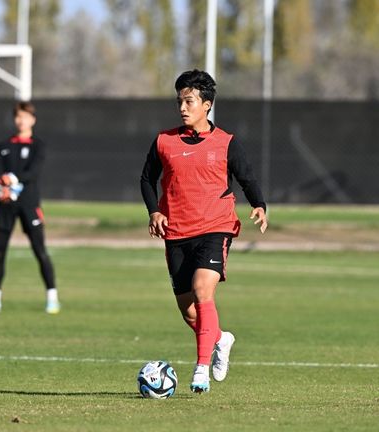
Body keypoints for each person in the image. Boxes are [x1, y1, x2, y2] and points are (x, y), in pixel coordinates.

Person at [140, 69, 268, 393]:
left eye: (189, 101)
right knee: (190, 312)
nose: (183, 107)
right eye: (180, 101)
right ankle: (221, 338)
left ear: (206, 104)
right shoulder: (164, 142)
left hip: (215, 227)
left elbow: (247, 176)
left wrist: (259, 204)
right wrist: (154, 211)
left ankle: (201, 369)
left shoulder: (225, 142)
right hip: (177, 231)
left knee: (202, 289)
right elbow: (146, 179)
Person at [0, 101, 60, 314]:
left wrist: (12, 179)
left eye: (26, 117)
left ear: (33, 120)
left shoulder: (38, 145)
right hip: (5, 207)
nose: (21, 121)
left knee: (40, 251)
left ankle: (52, 297)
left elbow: (33, 173)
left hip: (29, 205)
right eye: (18, 117)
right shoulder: (4, 146)